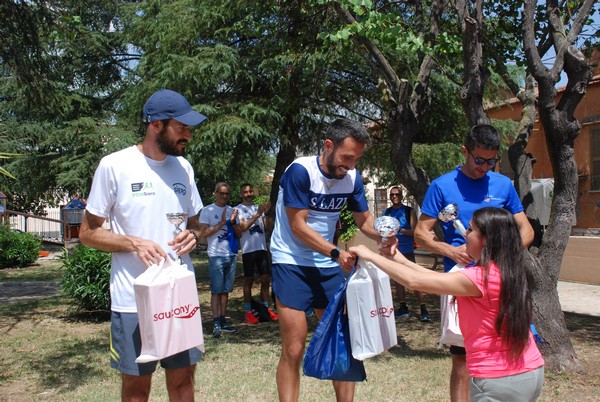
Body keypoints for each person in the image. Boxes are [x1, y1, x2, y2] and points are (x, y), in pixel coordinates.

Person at [79, 88, 206, 402]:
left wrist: (194, 236)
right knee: (137, 390)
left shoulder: (184, 169)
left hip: (179, 296)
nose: (188, 135)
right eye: (182, 127)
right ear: (157, 125)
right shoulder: (115, 165)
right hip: (132, 299)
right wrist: (133, 243)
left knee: (183, 384)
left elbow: (195, 224)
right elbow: (87, 232)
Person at [351, 207, 544, 402]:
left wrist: (370, 255)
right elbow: (433, 277)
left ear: (486, 239)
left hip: (500, 380)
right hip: (528, 371)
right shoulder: (502, 270)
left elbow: (415, 282)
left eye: (470, 230)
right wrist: (394, 257)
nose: (465, 235)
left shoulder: (481, 278)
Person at [414, 123, 534, 402]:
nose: (485, 167)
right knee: (462, 358)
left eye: (492, 161)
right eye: (479, 160)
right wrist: (450, 250)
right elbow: (422, 232)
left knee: (507, 347)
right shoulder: (442, 185)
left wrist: (498, 254)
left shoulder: (503, 185)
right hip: (462, 281)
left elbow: (526, 231)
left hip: (499, 282)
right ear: (464, 151)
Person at [270, 118, 386, 402]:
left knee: (341, 342)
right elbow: (298, 225)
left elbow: (364, 220)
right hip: (291, 261)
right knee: (294, 347)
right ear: (328, 145)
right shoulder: (300, 171)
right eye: (347, 157)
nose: (351, 164)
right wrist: (336, 252)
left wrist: (384, 232)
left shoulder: (352, 178)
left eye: (357, 158)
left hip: (327, 265)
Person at [198, 182, 242, 338]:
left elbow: (239, 234)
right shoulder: (207, 211)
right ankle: (215, 321)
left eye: (227, 194)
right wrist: (222, 222)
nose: (224, 196)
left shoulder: (233, 211)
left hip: (230, 254)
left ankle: (223, 320)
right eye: (221, 193)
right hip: (216, 255)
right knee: (216, 291)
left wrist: (233, 222)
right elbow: (204, 233)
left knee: (225, 291)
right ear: (215, 193)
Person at [382, 186, 430, 322]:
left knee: (414, 279)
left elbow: (414, 232)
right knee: (398, 280)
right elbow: (384, 230)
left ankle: (423, 308)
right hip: (393, 251)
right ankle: (403, 307)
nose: (394, 196)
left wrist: (400, 229)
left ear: (401, 196)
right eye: (392, 195)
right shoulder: (387, 212)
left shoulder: (409, 211)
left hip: (407, 251)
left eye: (397, 194)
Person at [235, 183, 278, 324]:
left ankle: (265, 309)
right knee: (249, 280)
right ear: (241, 194)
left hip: (261, 249)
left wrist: (268, 213)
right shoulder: (238, 209)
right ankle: (248, 311)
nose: (248, 194)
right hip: (248, 250)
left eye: (250, 191)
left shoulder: (257, 207)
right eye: (245, 192)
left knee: (265, 279)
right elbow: (242, 227)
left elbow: (267, 227)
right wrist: (258, 214)